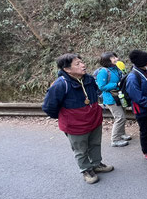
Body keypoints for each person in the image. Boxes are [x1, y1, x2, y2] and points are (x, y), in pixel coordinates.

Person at [42, 53, 114, 184]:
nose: (83, 65)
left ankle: (96, 164)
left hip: (94, 119)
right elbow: (48, 107)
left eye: (82, 62)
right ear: (67, 69)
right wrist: (67, 117)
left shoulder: (89, 79)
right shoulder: (60, 85)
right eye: (78, 64)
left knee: (95, 144)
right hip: (75, 125)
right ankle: (86, 170)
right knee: (80, 150)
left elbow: (96, 93)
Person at [96, 52, 131, 147]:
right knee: (120, 117)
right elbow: (101, 86)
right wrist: (116, 85)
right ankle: (115, 140)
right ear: (107, 61)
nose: (116, 58)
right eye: (113, 58)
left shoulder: (116, 68)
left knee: (122, 115)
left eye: (116, 56)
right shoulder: (103, 72)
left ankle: (122, 134)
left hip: (119, 96)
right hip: (110, 98)